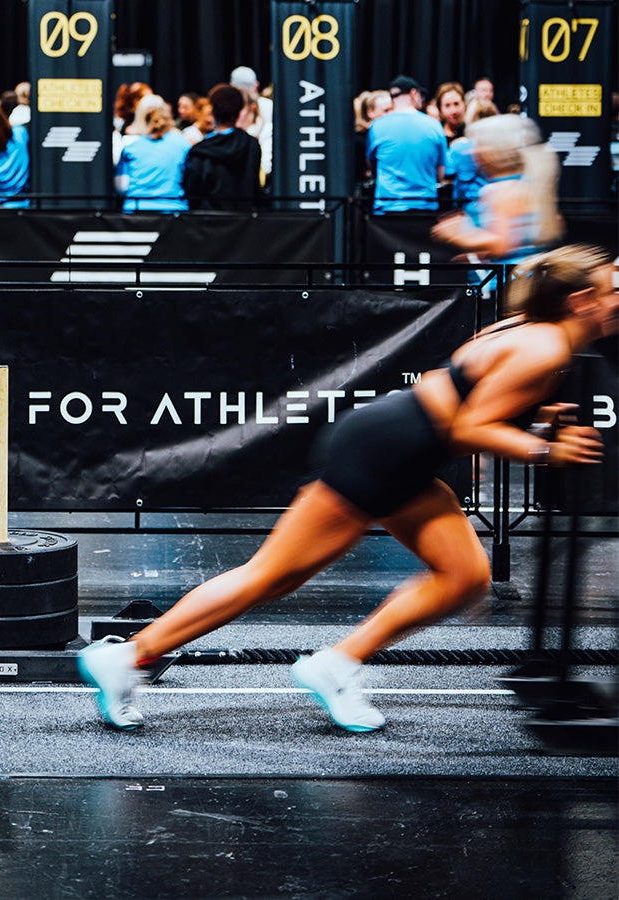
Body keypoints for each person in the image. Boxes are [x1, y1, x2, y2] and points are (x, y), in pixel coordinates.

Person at [78, 244, 617, 731]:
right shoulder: (543, 348)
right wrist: (546, 449)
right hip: (383, 452)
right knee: (270, 576)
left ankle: (337, 664)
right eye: (614, 291)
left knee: (465, 577)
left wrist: (539, 420)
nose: (618, 301)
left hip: (402, 451)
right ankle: (130, 656)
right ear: (583, 299)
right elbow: (467, 427)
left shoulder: (528, 331)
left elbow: (466, 390)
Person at [432, 114, 562, 264]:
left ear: (494, 150)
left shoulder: (500, 191)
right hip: (526, 273)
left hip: (509, 281)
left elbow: (502, 243)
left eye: (479, 145)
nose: (473, 151)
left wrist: (460, 234)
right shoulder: (524, 182)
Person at [367, 75, 447, 212]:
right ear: (413, 93)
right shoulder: (434, 126)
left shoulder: (377, 126)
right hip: (424, 208)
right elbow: (440, 175)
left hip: (387, 211)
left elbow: (372, 166)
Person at [183, 83, 262, 210]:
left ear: (213, 111)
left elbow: (192, 191)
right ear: (240, 110)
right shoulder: (251, 145)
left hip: (207, 223)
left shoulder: (200, 151)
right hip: (245, 223)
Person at [115, 104, 190, 212]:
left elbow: (121, 187)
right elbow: (191, 180)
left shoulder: (130, 146)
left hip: (136, 212)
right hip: (173, 212)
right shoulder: (183, 144)